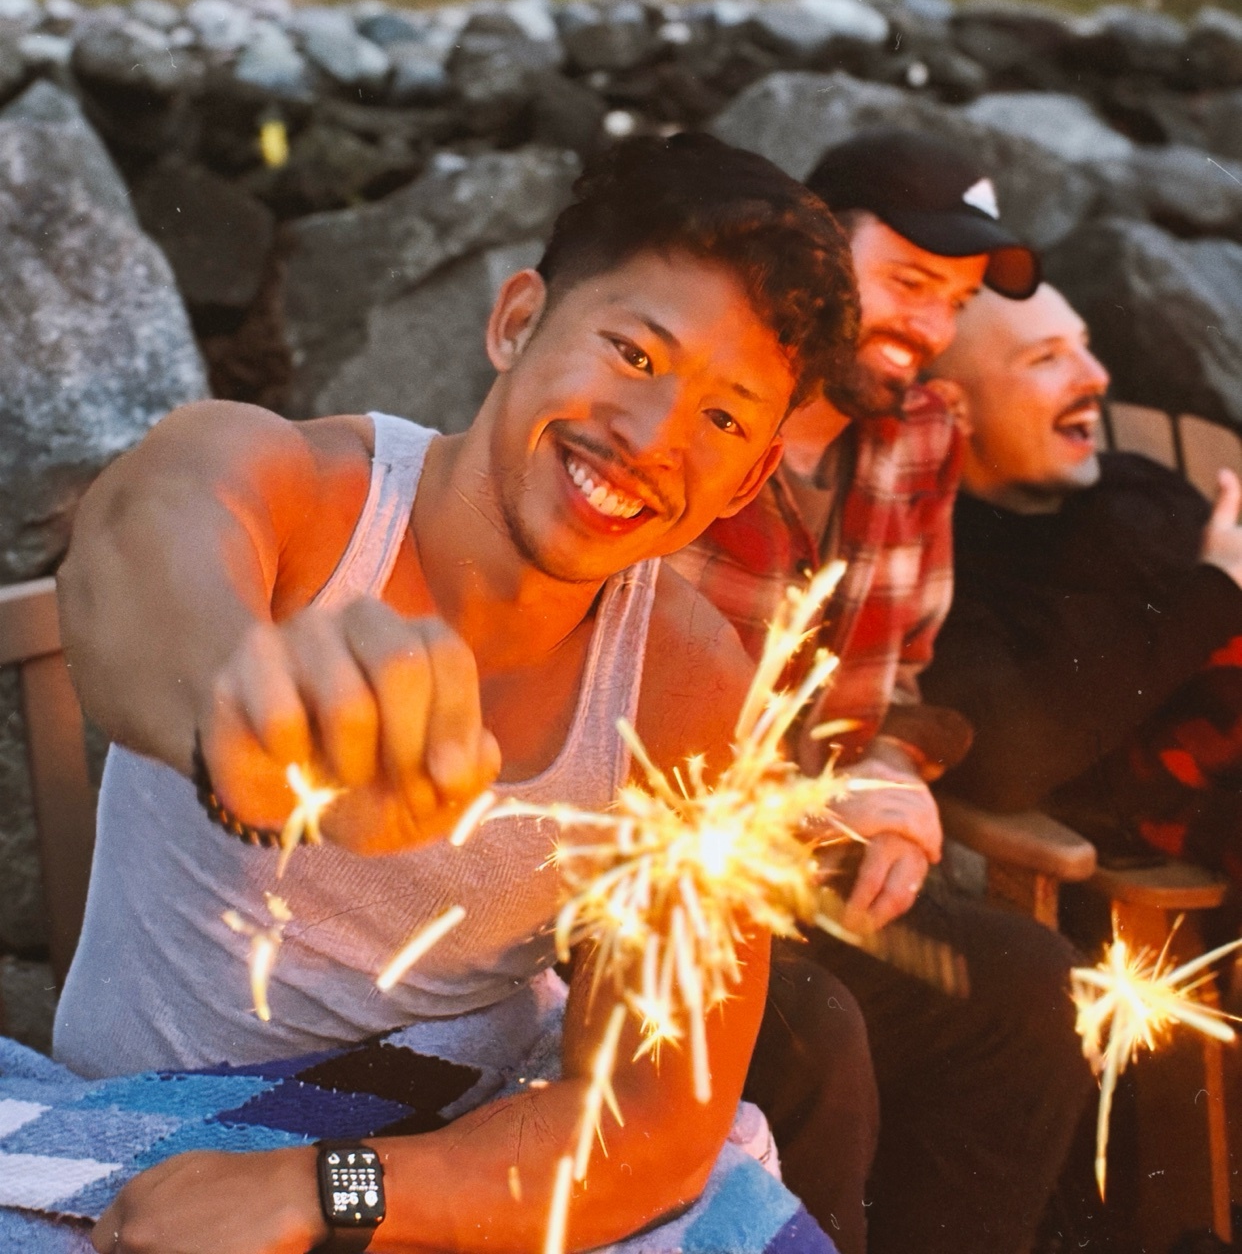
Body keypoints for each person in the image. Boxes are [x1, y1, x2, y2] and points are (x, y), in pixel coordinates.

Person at [53, 135, 861, 1254]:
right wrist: (247, 709)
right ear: (516, 320)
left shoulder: (686, 687)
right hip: (154, 1147)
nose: (650, 440)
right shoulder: (295, 493)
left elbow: (654, 1118)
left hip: (439, 1160)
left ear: (754, 477)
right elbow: (143, 542)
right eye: (633, 355)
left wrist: (322, 1191)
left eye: (724, 419)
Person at [674, 129, 1092, 1254]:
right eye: (908, 283)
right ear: (811, 245)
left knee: (1025, 985)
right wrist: (818, 796)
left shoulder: (920, 433)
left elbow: (901, 673)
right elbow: (615, 717)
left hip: (813, 890)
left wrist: (894, 769)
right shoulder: (692, 424)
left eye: (953, 302)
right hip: (654, 895)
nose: (928, 328)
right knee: (814, 1035)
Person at [924, 281, 1242, 882]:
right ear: (952, 407)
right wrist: (1218, 589)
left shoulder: (1137, 488)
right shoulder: (951, 565)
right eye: (1046, 358)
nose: (1096, 375)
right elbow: (1004, 763)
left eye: (1085, 347)